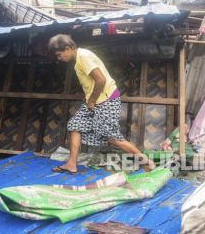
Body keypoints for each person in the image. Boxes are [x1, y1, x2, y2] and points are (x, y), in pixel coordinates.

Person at [48, 34, 156, 174]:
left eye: (59, 54)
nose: (59, 58)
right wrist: (89, 98)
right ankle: (71, 164)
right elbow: (91, 83)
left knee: (113, 138)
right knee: (75, 126)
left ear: (68, 48)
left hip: (106, 101)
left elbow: (101, 80)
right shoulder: (79, 58)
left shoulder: (83, 57)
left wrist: (92, 100)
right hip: (94, 101)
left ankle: (147, 162)